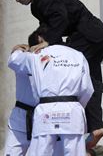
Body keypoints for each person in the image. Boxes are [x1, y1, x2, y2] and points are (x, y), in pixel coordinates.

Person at [3, 0, 103, 148]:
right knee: (91, 78)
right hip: (96, 37)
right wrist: (29, 45)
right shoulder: (39, 2)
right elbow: (47, 28)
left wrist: (46, 42)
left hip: (87, 35)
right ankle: (96, 127)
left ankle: (88, 125)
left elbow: (60, 17)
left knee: (70, 72)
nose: (17, 1)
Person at [8, 28, 93, 156]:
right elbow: (87, 89)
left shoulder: (36, 55)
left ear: (41, 39)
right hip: (72, 111)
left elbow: (13, 61)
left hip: (45, 111)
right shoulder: (77, 55)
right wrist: (76, 106)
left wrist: (18, 50)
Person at [4, 41, 38, 156]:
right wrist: (19, 49)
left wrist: (17, 49)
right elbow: (12, 60)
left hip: (43, 116)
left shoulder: (51, 59)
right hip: (21, 117)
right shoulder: (23, 59)